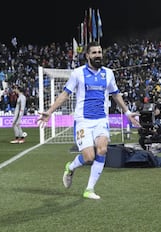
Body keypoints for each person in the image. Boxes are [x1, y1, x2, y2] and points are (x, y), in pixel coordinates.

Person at [37, 41, 140, 200]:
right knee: (89, 157)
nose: (98, 55)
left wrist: (127, 112)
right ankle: (70, 167)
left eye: (99, 52)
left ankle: (89, 189)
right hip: (83, 120)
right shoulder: (78, 73)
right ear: (87, 56)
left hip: (101, 120)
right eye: (94, 53)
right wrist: (50, 112)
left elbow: (115, 94)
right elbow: (65, 94)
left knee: (102, 149)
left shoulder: (108, 73)